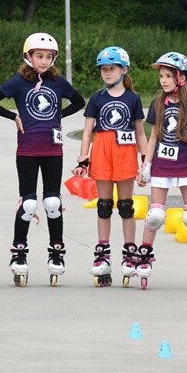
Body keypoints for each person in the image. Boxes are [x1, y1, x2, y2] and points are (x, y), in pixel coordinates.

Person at [0, 33, 85, 287]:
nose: (44, 61)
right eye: (39, 56)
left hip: (53, 151)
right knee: (28, 204)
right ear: (28, 56)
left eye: (49, 57)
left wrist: (59, 115)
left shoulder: (58, 83)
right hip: (27, 151)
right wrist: (14, 117)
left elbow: (79, 101)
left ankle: (56, 251)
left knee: (52, 202)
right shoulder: (19, 82)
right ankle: (19, 252)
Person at [72, 46, 147, 287]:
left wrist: (146, 161)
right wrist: (83, 158)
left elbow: (140, 133)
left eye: (112, 69)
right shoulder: (97, 98)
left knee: (126, 206)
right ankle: (103, 254)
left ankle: (129, 252)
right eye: (104, 69)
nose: (107, 73)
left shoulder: (133, 99)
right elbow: (87, 132)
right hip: (102, 151)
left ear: (124, 70)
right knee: (104, 206)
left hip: (125, 154)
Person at [134, 52, 187, 289]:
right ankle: (144, 256)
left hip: (186, 164)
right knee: (155, 215)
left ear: (181, 78)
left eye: (168, 76)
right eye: (161, 76)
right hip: (162, 166)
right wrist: (146, 165)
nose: (163, 80)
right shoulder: (158, 102)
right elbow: (154, 136)